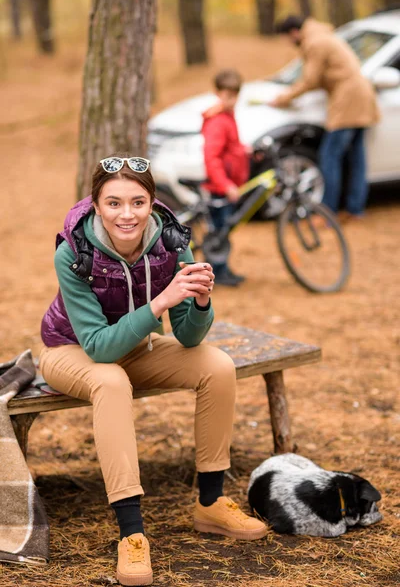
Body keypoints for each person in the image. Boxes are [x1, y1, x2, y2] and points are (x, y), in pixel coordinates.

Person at [40, 156, 266, 586]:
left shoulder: (173, 242)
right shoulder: (73, 252)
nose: (127, 214)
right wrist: (160, 302)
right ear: (96, 205)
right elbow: (98, 348)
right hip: (71, 351)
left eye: (138, 202)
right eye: (114, 203)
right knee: (111, 380)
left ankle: (211, 502)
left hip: (139, 345)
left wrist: (199, 302)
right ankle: (132, 533)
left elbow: (188, 337)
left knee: (217, 365)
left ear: (152, 203)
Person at [270, 15, 380, 222]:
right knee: (356, 158)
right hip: (361, 96)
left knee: (330, 156)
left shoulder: (314, 42)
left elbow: (310, 79)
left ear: (293, 32)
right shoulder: (323, 35)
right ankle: (355, 209)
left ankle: (328, 212)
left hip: (348, 100)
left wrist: (285, 97)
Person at [202, 69, 250, 286]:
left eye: (234, 95)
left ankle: (223, 269)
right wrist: (226, 185)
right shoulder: (217, 122)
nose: (231, 100)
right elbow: (212, 158)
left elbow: (230, 148)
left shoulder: (228, 117)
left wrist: (243, 151)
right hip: (219, 187)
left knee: (224, 229)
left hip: (227, 184)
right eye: (227, 95)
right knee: (218, 231)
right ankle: (217, 273)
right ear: (217, 93)